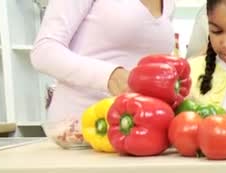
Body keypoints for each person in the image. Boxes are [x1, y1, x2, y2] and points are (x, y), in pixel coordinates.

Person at [31, 0, 176, 123]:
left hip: (136, 127)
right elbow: (44, 51)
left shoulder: (169, 3)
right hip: (80, 129)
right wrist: (110, 76)